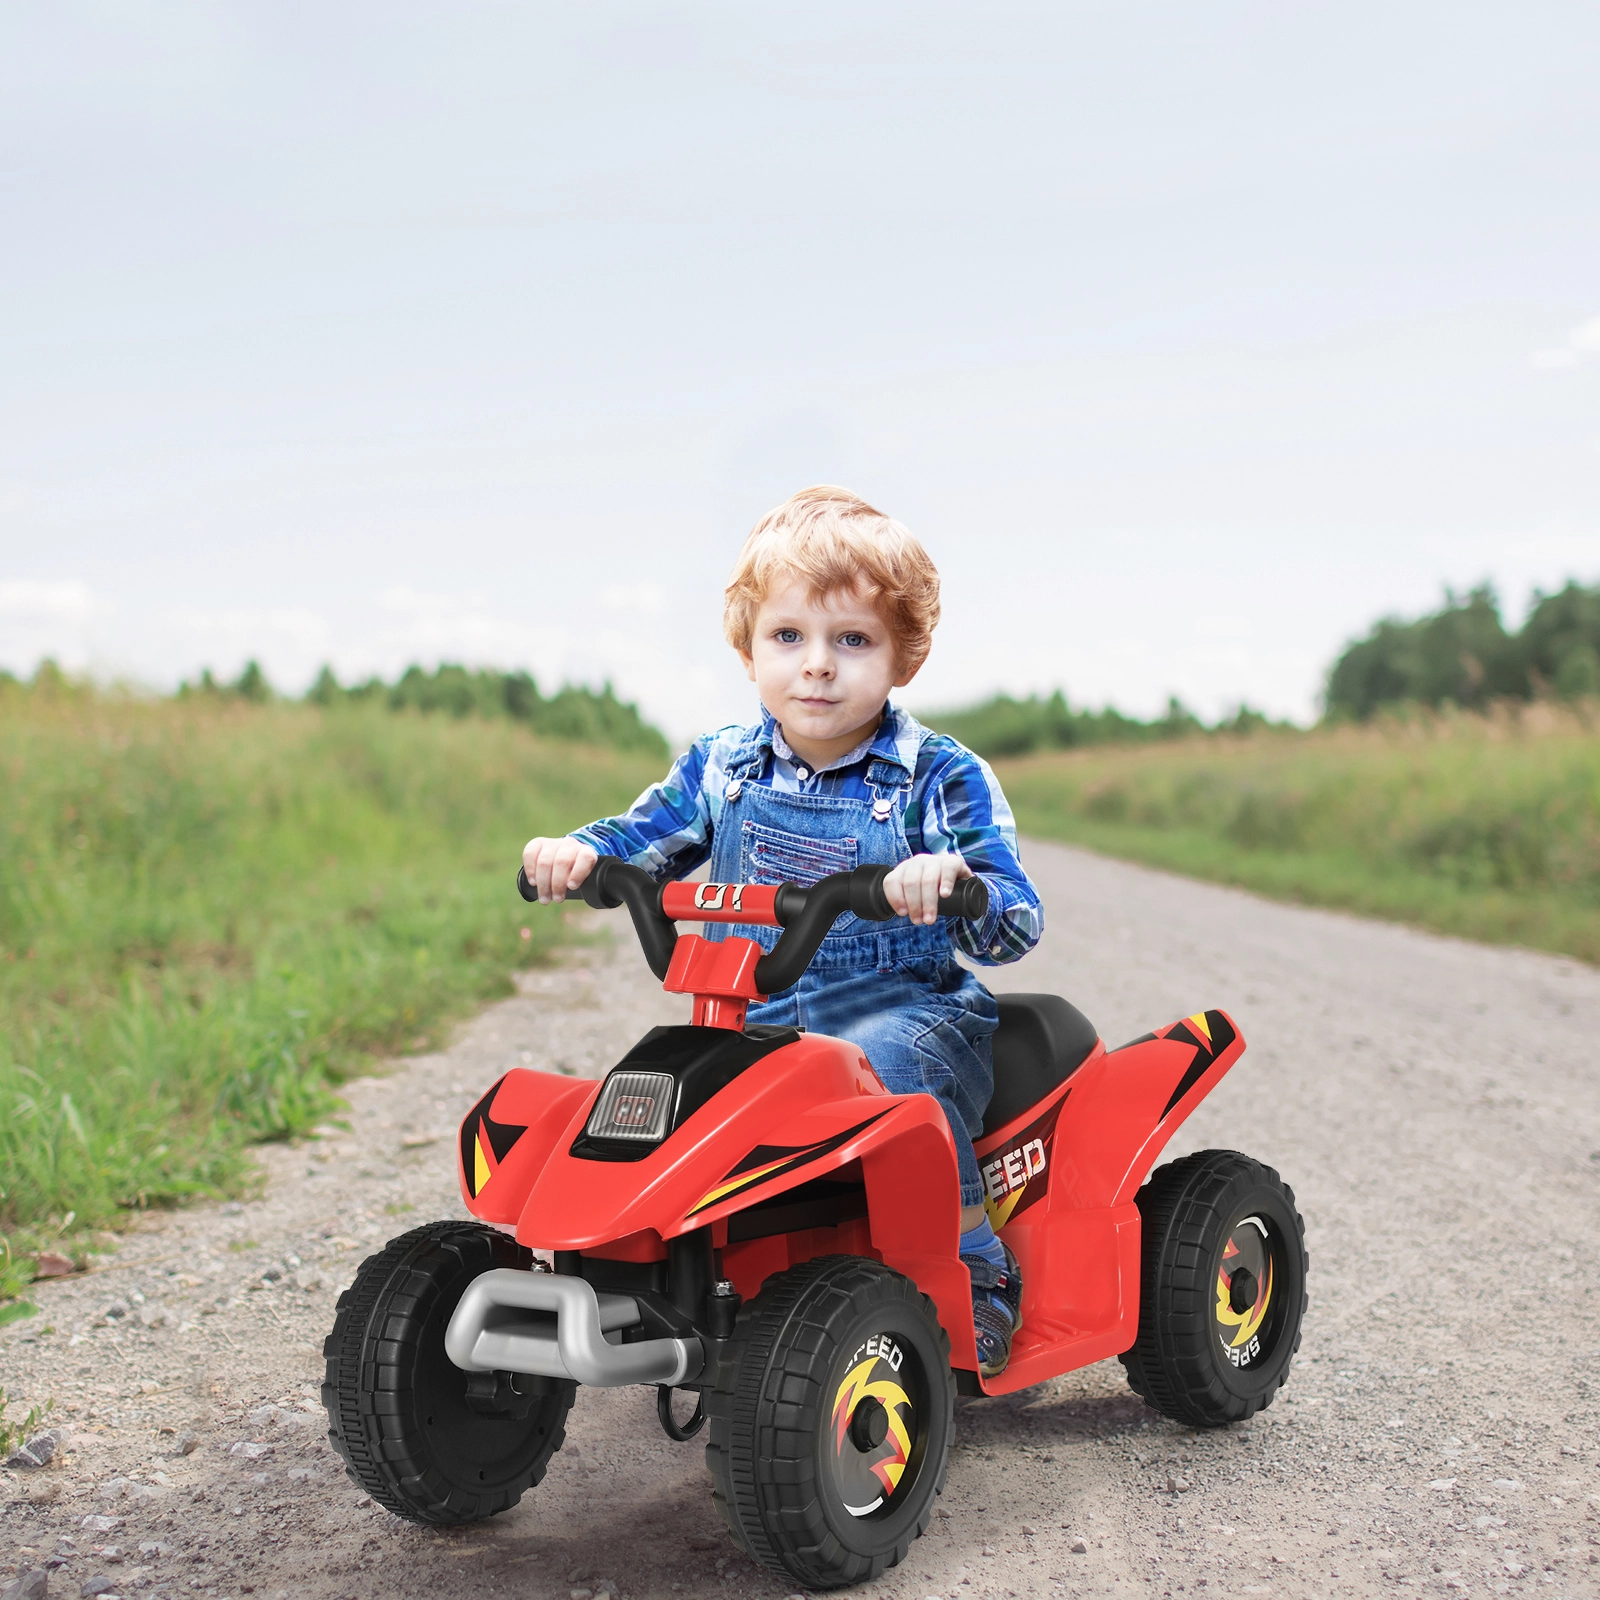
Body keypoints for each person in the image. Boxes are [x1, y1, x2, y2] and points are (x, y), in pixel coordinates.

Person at [522, 485, 1044, 1376]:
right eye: (789, 637)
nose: (817, 667)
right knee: (661, 1087)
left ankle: (978, 1276)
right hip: (756, 1024)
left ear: (902, 657)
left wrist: (951, 883)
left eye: (853, 641)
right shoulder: (722, 763)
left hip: (901, 1011)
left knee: (896, 1068)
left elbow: (1014, 919)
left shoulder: (938, 775)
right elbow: (640, 840)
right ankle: (659, 1273)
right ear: (749, 646)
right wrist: (577, 853)